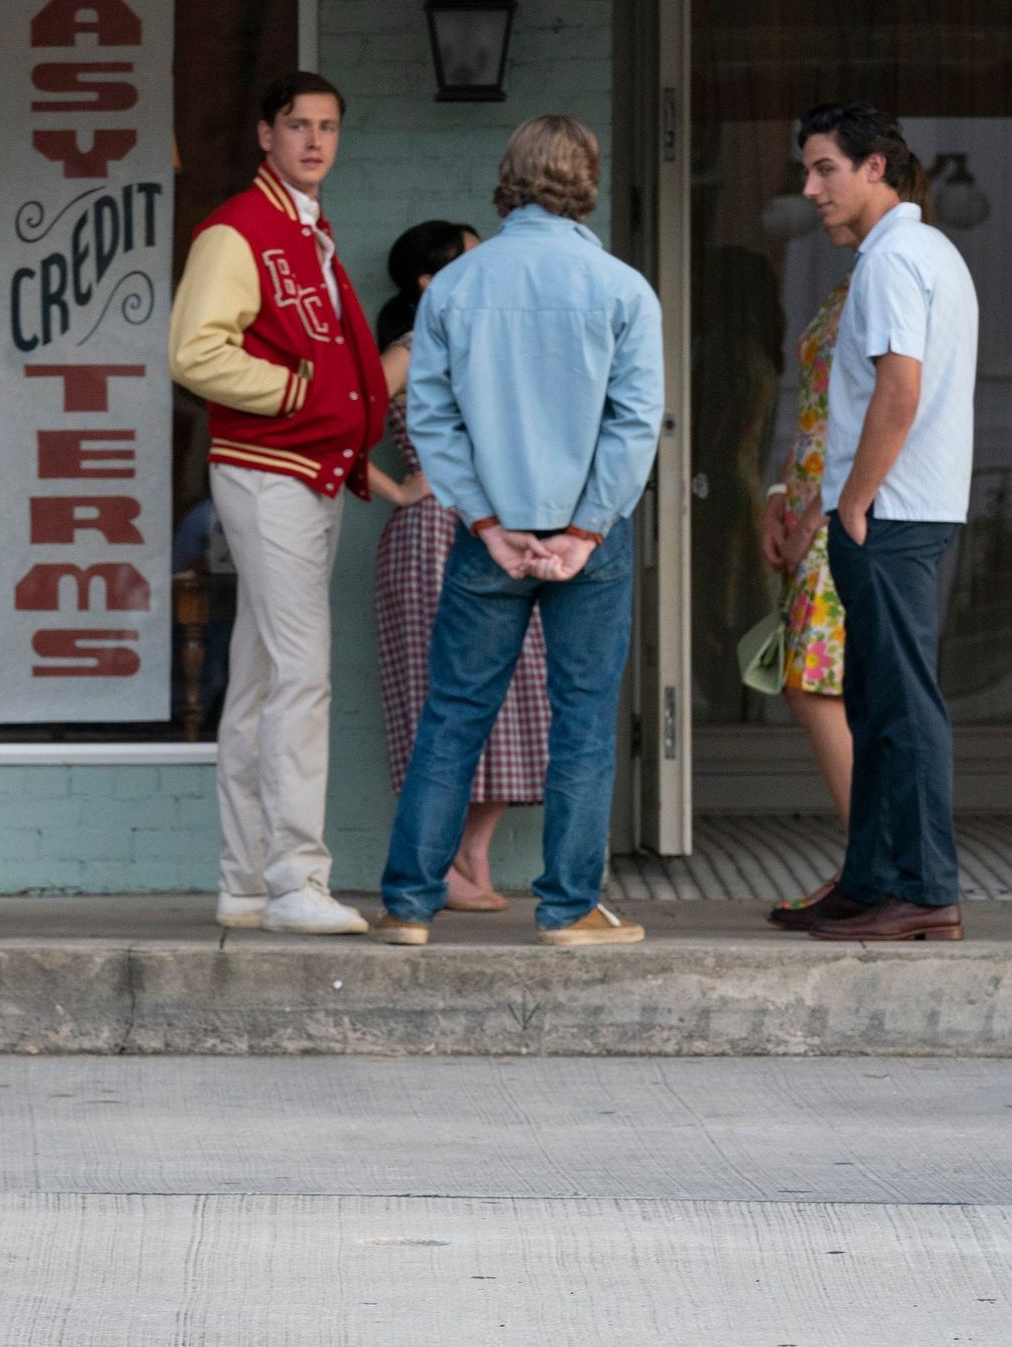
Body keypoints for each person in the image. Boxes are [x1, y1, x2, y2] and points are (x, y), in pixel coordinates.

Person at [373, 116, 664, 948]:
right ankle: (570, 910)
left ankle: (408, 904)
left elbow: (431, 416)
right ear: (587, 181)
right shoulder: (622, 288)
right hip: (590, 540)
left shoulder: (457, 287)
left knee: (454, 713)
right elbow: (635, 423)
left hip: (487, 536)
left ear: (508, 177)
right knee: (583, 719)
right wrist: (581, 530)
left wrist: (490, 522)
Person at [168, 71, 389, 936]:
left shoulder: (304, 229)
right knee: (301, 675)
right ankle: (297, 876)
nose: (314, 141)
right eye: (298, 125)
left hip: (306, 468)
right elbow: (194, 351)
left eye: (328, 127)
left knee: (262, 681)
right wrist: (296, 391)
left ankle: (246, 883)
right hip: (270, 467)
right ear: (266, 134)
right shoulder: (239, 229)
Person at [784, 103, 979, 944]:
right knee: (874, 700)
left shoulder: (896, 258)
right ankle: (869, 882)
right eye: (808, 170)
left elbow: (899, 388)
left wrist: (854, 500)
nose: (810, 187)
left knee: (901, 705)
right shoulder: (916, 250)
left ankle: (925, 888)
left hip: (890, 513)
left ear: (877, 168)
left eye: (826, 168)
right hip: (900, 509)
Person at [370, 219, 550, 914]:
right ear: (428, 281)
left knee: (523, 690)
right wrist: (399, 486)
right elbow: (335, 426)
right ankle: (439, 861)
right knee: (437, 692)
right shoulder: (410, 351)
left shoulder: (491, 347)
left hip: (505, 529)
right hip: (432, 536)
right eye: (472, 263)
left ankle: (472, 857)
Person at [758, 277, 855, 921]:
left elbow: (887, 412)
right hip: (809, 501)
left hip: (837, 511)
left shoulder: (891, 276)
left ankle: (872, 865)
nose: (811, 192)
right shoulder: (842, 288)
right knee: (817, 684)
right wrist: (776, 496)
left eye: (825, 169)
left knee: (813, 684)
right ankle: (868, 863)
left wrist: (816, 516)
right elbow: (813, 410)